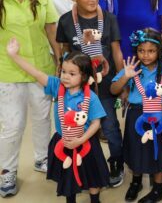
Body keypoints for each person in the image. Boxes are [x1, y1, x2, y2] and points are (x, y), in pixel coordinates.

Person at [7, 43, 109, 203]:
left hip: (86, 142)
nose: (65, 76)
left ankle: (95, 200)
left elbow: (96, 123)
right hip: (64, 141)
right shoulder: (56, 86)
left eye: (72, 73)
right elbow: (35, 73)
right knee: (68, 178)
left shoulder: (91, 97)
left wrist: (81, 140)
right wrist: (14, 56)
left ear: (83, 76)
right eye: (63, 71)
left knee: (92, 175)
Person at [0, 0, 60, 198]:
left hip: (41, 70)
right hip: (8, 71)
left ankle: (42, 158)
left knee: (41, 119)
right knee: (12, 126)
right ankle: (7, 172)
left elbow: (51, 31)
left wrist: (59, 59)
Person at [56, 0, 125, 187]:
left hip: (104, 86)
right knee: (80, 128)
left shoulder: (109, 18)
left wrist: (123, 84)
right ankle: (87, 165)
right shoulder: (66, 21)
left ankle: (117, 162)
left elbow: (116, 52)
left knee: (110, 127)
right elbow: (64, 54)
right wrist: (63, 85)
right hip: (77, 89)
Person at [110, 28, 162, 203]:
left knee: (157, 151)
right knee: (135, 149)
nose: (145, 55)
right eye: (141, 51)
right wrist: (125, 77)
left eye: (151, 51)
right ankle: (136, 182)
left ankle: (158, 189)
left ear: (159, 51)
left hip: (158, 116)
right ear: (136, 51)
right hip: (135, 115)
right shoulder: (132, 67)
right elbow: (113, 89)